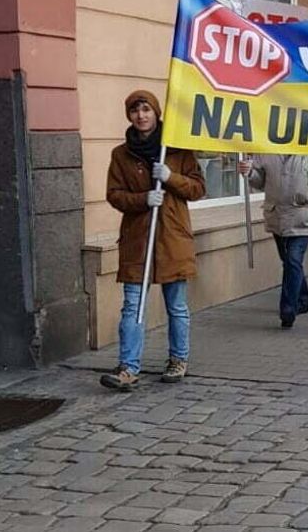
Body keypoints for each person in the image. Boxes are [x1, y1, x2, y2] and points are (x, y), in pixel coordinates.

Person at [102, 90, 205, 391]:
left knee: (176, 305)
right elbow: (114, 195)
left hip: (172, 238)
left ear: (156, 112)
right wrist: (143, 199)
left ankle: (178, 360)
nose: (141, 116)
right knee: (132, 306)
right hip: (138, 240)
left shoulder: (177, 149)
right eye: (135, 111)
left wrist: (171, 177)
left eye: (146, 109)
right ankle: (128, 368)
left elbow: (198, 188)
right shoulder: (121, 154)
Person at [238, 154, 308, 328]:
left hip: (302, 217)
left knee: (292, 259)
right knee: (290, 262)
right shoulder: (269, 146)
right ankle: (302, 298)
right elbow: (261, 181)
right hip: (277, 216)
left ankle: (288, 310)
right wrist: (250, 172)